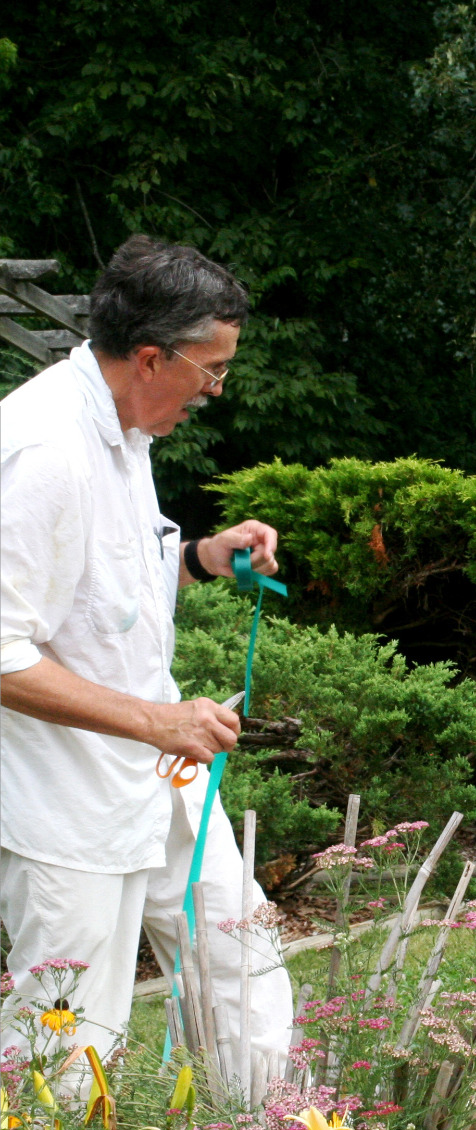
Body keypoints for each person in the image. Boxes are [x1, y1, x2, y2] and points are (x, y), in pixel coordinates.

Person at [0, 236, 292, 1071]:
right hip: (69, 800)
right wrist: (157, 720)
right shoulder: (40, 449)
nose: (216, 391)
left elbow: (101, 587)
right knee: (66, 1033)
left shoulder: (124, 430)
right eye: (211, 371)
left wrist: (204, 555)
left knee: (244, 965)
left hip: (157, 778)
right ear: (152, 356)